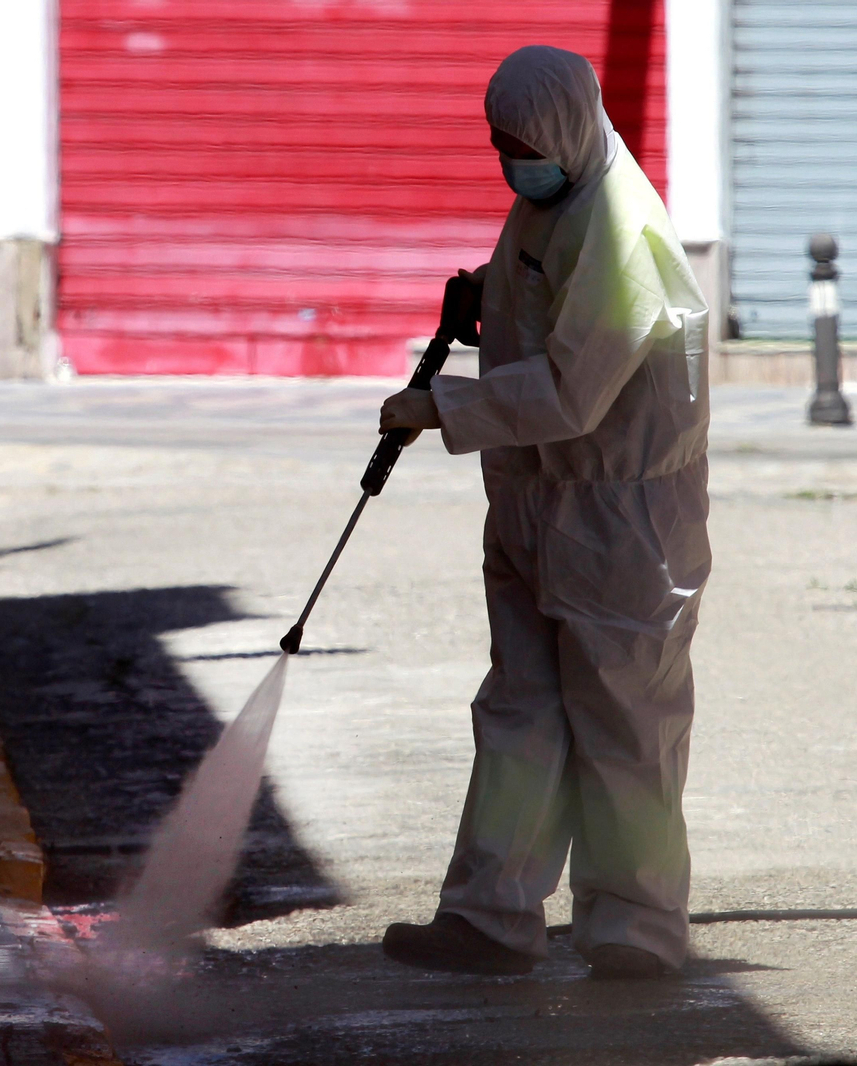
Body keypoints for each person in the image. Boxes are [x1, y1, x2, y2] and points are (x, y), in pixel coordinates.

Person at [377, 45, 711, 980]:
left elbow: (575, 388)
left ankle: (637, 928)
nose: (512, 159)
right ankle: (490, 916)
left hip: (622, 524)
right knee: (520, 712)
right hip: (534, 503)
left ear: (567, 126)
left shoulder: (622, 227)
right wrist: (496, 298)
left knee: (625, 724)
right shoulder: (549, 200)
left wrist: (440, 405)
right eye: (500, 145)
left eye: (524, 143)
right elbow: (550, 310)